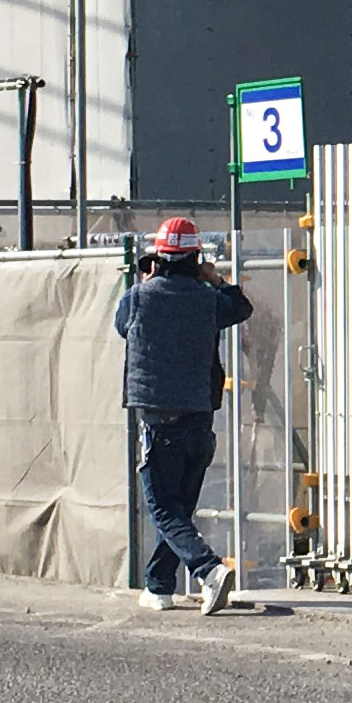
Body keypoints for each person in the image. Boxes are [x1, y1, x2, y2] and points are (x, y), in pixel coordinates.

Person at [114, 216, 253, 614]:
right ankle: (159, 587)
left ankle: (209, 570)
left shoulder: (139, 297)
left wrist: (146, 282)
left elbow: (121, 325)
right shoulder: (209, 300)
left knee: (163, 508)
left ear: (158, 258)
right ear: (196, 258)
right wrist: (215, 279)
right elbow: (241, 307)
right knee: (177, 511)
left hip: (160, 421)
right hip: (200, 421)